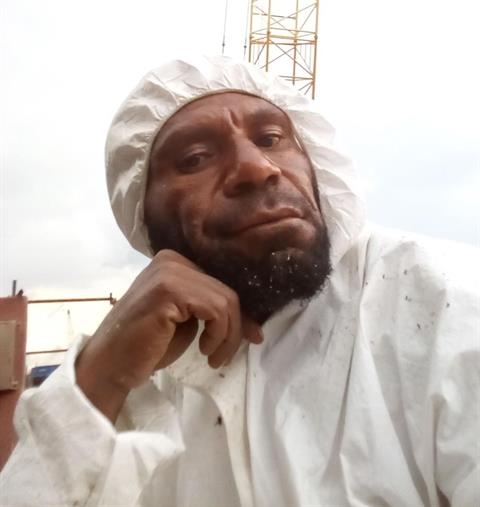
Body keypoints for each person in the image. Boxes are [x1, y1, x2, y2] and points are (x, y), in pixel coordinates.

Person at [1, 56, 478, 507]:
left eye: (271, 138)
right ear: (144, 216)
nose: (256, 167)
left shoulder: (441, 301)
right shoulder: (140, 370)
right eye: (194, 158)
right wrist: (100, 378)